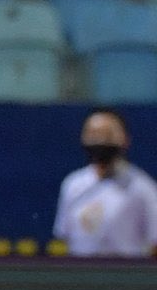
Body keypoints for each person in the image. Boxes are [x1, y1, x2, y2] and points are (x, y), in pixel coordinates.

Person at [52, 107, 157, 258]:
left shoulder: (143, 188)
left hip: (127, 276)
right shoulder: (73, 184)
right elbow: (64, 236)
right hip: (80, 275)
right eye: (93, 135)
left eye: (108, 135)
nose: (100, 141)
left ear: (125, 139)